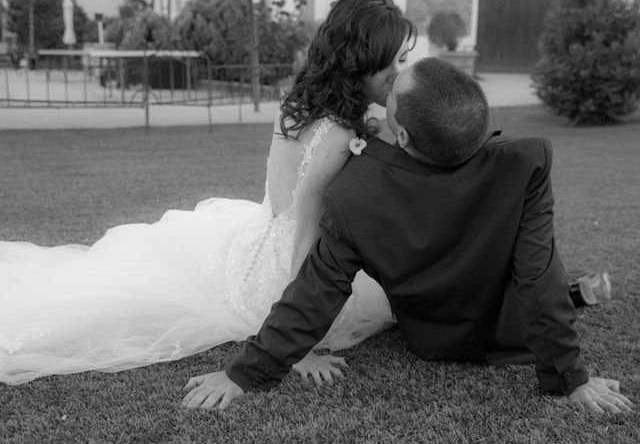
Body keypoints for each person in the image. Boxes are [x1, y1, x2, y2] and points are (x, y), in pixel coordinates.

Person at [0, 0, 416, 385]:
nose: (399, 75)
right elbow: (307, 233)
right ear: (359, 62)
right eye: (392, 64)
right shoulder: (338, 137)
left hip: (259, 237)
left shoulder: (302, 102)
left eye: (405, 60)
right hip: (288, 271)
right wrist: (300, 346)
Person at [181, 57, 633, 415]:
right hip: (512, 329)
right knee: (547, 277)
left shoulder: (355, 193)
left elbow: (315, 292)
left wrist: (244, 374)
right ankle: (576, 295)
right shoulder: (525, 163)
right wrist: (572, 378)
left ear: (405, 135)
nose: (391, 81)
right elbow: (537, 273)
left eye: (395, 91)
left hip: (436, 342)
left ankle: (576, 294)